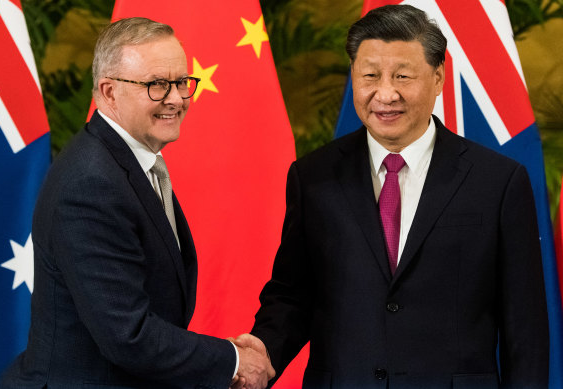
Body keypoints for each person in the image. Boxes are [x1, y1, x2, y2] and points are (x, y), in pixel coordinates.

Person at [234, 4, 549, 389]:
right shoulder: (313, 177)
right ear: (354, 76)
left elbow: (526, 328)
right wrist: (262, 357)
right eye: (370, 75)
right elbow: (292, 294)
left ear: (438, 77)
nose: (386, 93)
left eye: (402, 75)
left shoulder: (498, 181)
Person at [0, 17, 273, 389]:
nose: (176, 98)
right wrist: (233, 360)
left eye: (181, 82)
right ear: (109, 92)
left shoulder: (129, 161)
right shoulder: (91, 183)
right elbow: (128, 335)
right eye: (157, 85)